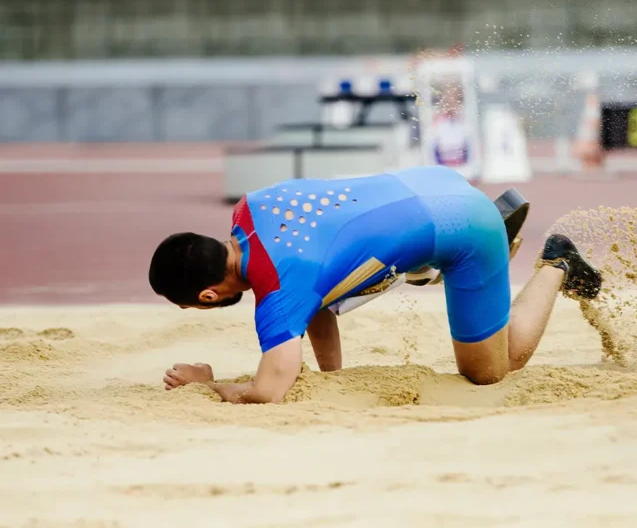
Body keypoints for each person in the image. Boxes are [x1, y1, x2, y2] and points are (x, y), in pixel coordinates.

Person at [148, 165, 602, 404]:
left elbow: (269, 389)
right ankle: (436, 261)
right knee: (350, 268)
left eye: (195, 307)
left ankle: (556, 264)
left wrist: (205, 385)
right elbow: (317, 304)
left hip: (463, 228)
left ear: (209, 295)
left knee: (491, 370)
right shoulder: (249, 210)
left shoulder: (278, 289)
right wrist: (333, 381)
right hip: (430, 182)